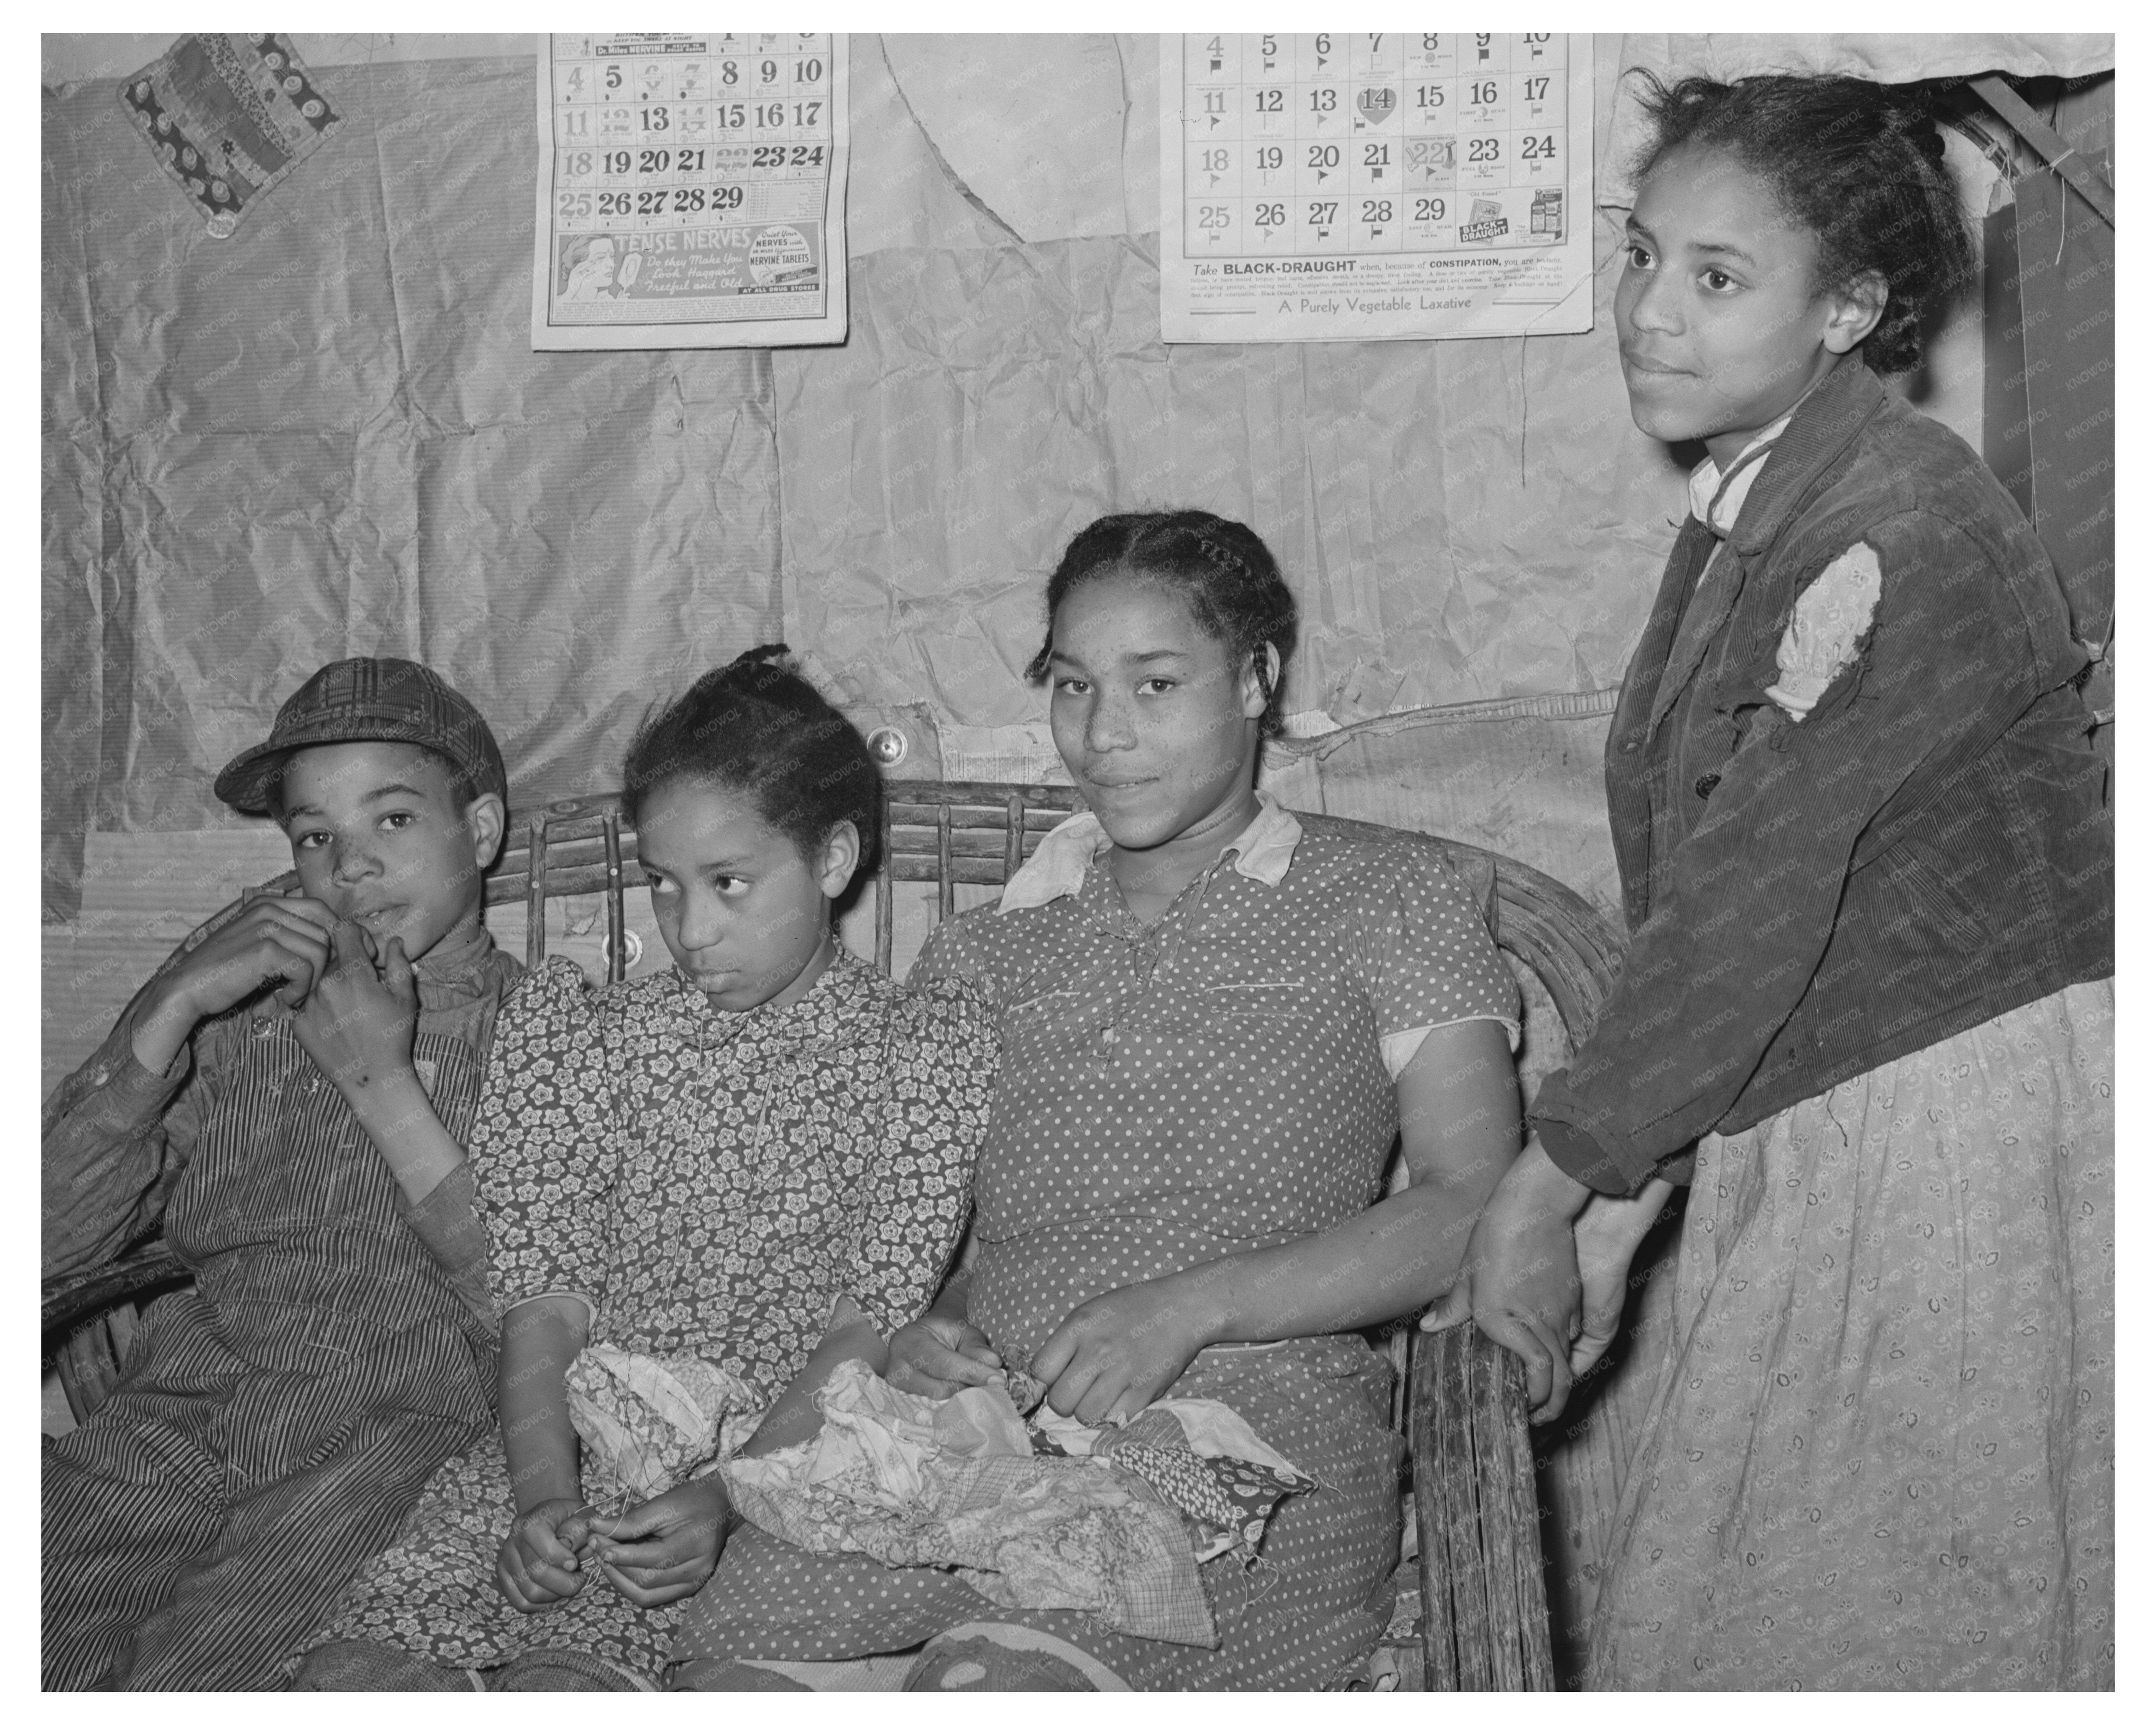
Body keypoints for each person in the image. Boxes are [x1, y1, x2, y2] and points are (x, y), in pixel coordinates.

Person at [1460, 74, 2113, 1691]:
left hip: (1953, 1125)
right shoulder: (1772, 493)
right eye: (1642, 256)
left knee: (1865, 1611)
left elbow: (1755, 888)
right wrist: (1628, 1193)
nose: (1649, 314)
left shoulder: (1892, 527)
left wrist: (1551, 1186)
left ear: (1853, 307)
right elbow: (1722, 887)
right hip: (1836, 1095)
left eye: (1717, 277)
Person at [670, 511, 1526, 1691]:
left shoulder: (1388, 891)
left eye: (1156, 685)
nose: (1105, 735)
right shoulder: (983, 954)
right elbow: (953, 1241)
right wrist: (934, 1329)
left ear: (1257, 679)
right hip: (988, 1435)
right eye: (1073, 688)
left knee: (1000, 1683)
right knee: (731, 1662)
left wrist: (1197, 1307)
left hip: (1243, 1423)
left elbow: (1473, 1198)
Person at [295, 647, 998, 1691]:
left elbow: (870, 1322)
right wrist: (541, 1495)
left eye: (729, 884)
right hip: (557, 1453)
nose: (692, 930)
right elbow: (543, 1304)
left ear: (835, 858)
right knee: (358, 1674)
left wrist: (728, 1494)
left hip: (767, 1467)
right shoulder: (589, 1037)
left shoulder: (923, 1053)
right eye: (666, 887)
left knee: (569, 1686)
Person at [43, 657, 521, 1689]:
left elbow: (547, 1305)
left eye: (393, 821)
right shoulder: (243, 1014)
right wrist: (162, 1011)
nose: (349, 868)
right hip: (179, 1422)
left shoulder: (553, 1035)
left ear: (479, 834)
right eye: (316, 838)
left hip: (390, 1448)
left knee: (199, 1677)